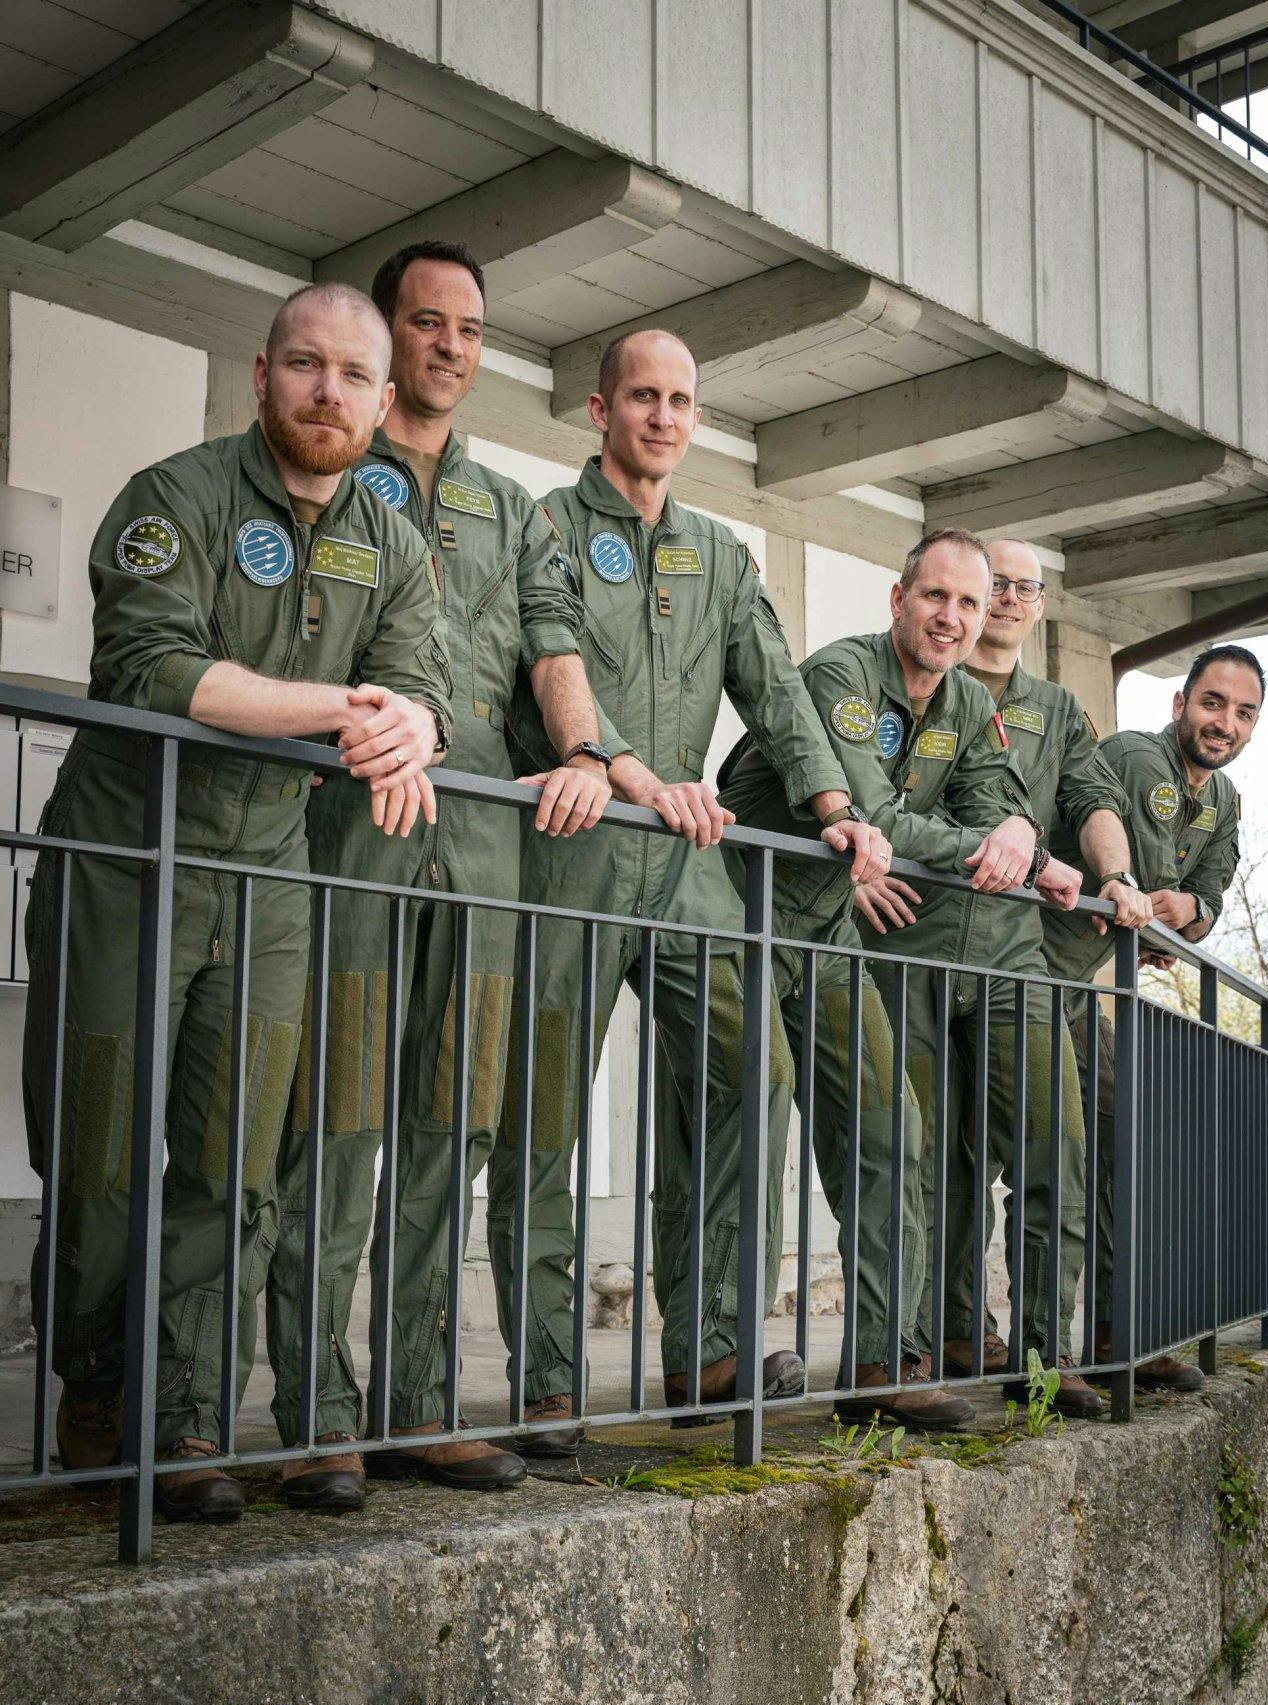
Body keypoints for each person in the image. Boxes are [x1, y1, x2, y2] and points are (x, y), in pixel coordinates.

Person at [23, 283, 452, 1523]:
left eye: (353, 375)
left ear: (383, 399)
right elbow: (151, 669)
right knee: (101, 1152)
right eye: (305, 367)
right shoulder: (178, 496)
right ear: (263, 376)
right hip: (130, 865)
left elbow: (413, 677)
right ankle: (95, 1385)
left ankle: (191, 1417)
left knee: (233, 1166)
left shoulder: (393, 534)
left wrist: (409, 720)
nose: (329, 393)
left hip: (270, 884)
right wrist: (344, 709)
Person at [485, 328, 888, 1451]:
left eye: (680, 400)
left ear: (695, 419)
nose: (663, 416)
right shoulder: (547, 528)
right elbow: (548, 657)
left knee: (747, 1070)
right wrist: (623, 767)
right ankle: (548, 1377)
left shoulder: (720, 550)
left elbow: (778, 694)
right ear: (599, 410)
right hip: (571, 848)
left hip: (686, 867)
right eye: (642, 397)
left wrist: (834, 809)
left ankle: (711, 1342)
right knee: (544, 1117)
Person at [265, 242, 616, 1510]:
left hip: (478, 853)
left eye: (470, 329)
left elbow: (553, 642)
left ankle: (419, 1402)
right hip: (351, 841)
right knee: (338, 1126)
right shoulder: (324, 475)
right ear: (389, 336)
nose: (451, 347)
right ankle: (315, 1416)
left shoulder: (511, 509)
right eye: (429, 323)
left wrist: (584, 750)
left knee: (446, 1133)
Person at [717, 529, 1051, 1428]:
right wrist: (992, 843)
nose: (951, 618)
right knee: (741, 1125)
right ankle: (711, 1353)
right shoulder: (841, 677)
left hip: (828, 933)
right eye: (935, 597)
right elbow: (871, 810)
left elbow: (996, 803)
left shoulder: (969, 701)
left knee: (890, 1130)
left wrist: (1019, 832)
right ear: (898, 599)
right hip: (735, 919)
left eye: (969, 605)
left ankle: (882, 1368)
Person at [929, 540, 1154, 1415]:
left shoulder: (1055, 707)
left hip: (1017, 952)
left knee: (1052, 1149)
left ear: (1042, 602)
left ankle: (1039, 1356)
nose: (1011, 600)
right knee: (935, 1160)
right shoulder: (925, 680)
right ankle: (942, 1333)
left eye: (1028, 587)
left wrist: (1119, 878)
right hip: (912, 943)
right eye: (1000, 585)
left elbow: (1095, 798)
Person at [1042, 643, 1261, 1391]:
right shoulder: (1139, 758)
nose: (1223, 723)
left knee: (1120, 1142)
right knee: (1059, 1155)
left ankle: (1118, 1334)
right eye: (1211, 703)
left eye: (1242, 712)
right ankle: (1042, 1355)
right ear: (1180, 706)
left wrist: (1191, 909)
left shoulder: (1224, 799)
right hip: (1034, 968)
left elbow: (1206, 898)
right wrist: (1173, 909)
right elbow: (1147, 890)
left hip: (1089, 985)